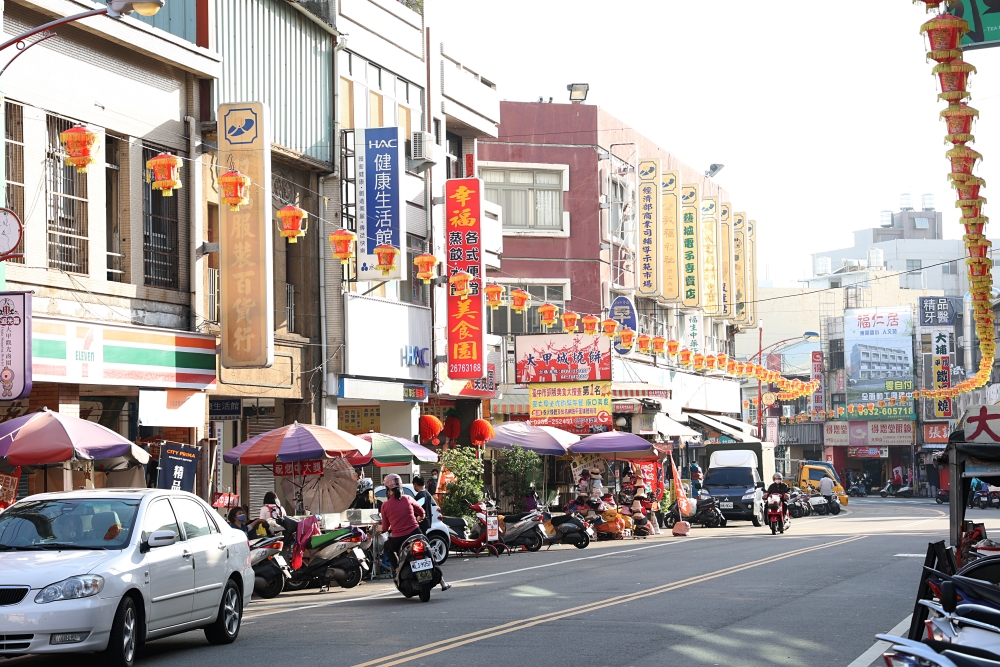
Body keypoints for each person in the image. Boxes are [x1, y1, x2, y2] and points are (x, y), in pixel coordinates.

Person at [381, 474, 450, 591]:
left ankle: (397, 569)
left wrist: (382, 529)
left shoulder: (385, 505)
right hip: (416, 533)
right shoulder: (408, 498)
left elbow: (385, 527)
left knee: (387, 546)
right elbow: (422, 512)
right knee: (428, 553)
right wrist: (419, 518)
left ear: (388, 489)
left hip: (399, 539)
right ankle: (443, 582)